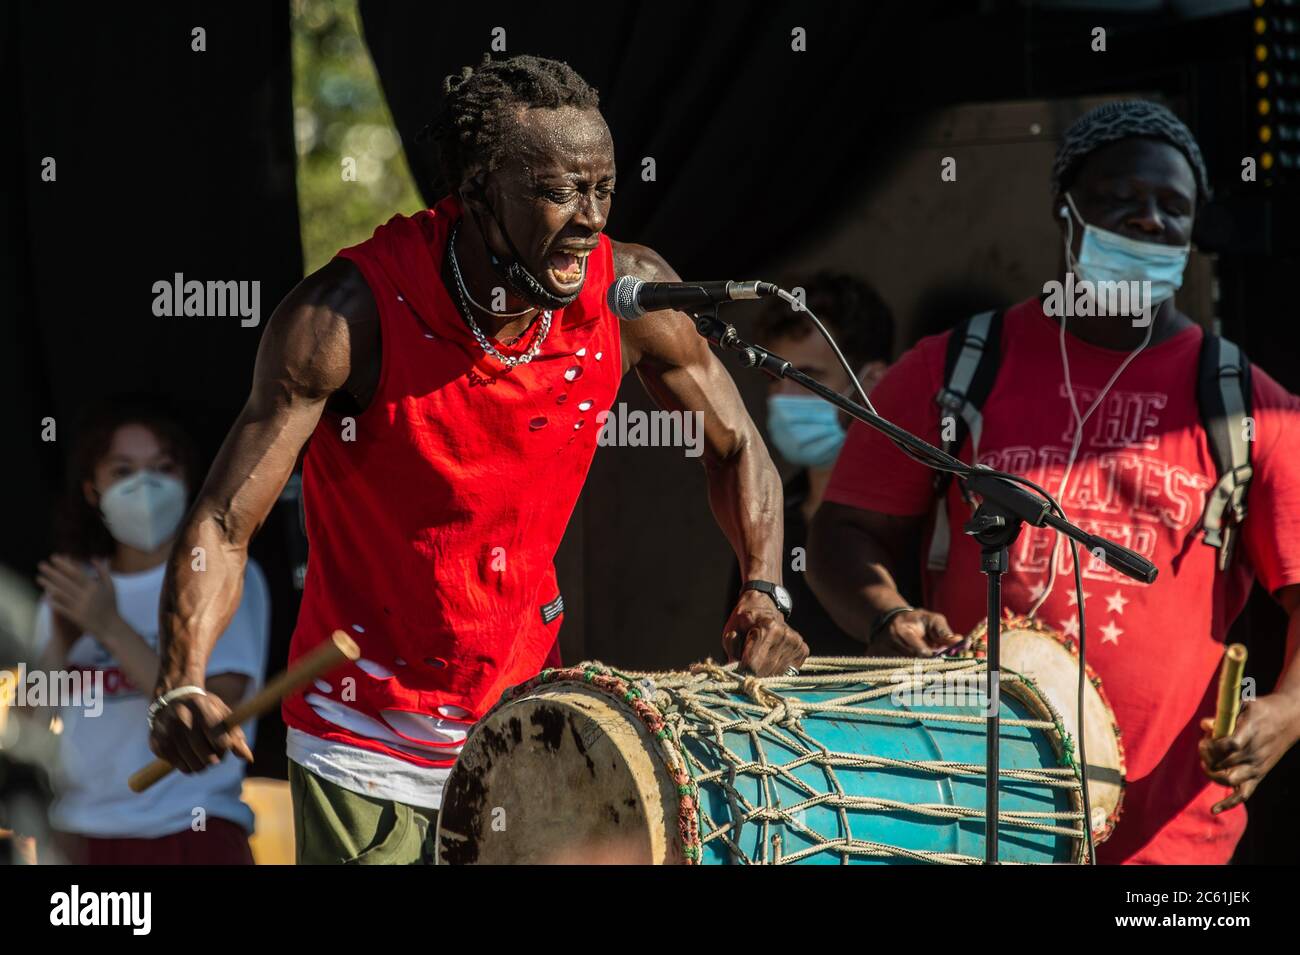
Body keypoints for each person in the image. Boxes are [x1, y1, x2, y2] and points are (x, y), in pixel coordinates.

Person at [148, 54, 807, 865]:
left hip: (526, 727)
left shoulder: (625, 294)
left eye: (602, 189)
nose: (589, 218)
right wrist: (184, 676)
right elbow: (223, 517)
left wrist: (765, 588)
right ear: (479, 190)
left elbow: (739, 446)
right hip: (364, 741)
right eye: (559, 190)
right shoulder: (347, 318)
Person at [807, 100, 1300, 864]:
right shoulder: (957, 368)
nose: (1149, 221)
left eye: (1174, 205)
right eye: (1120, 200)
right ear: (1066, 214)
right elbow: (845, 531)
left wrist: (1290, 708)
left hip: (1170, 845)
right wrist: (886, 617)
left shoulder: (1246, 401)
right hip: (972, 818)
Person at [32, 399, 268, 864]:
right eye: (122, 471)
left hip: (192, 829)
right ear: (92, 490)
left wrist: (109, 627)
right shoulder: (72, 588)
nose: (144, 486)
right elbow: (28, 726)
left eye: (162, 467)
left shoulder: (222, 577)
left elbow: (218, 719)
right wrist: (62, 640)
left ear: (188, 482)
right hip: (79, 837)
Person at [728, 272, 893, 655]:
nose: (783, 396)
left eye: (806, 377)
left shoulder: (921, 521)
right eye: (774, 377)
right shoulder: (766, 522)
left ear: (873, 382)